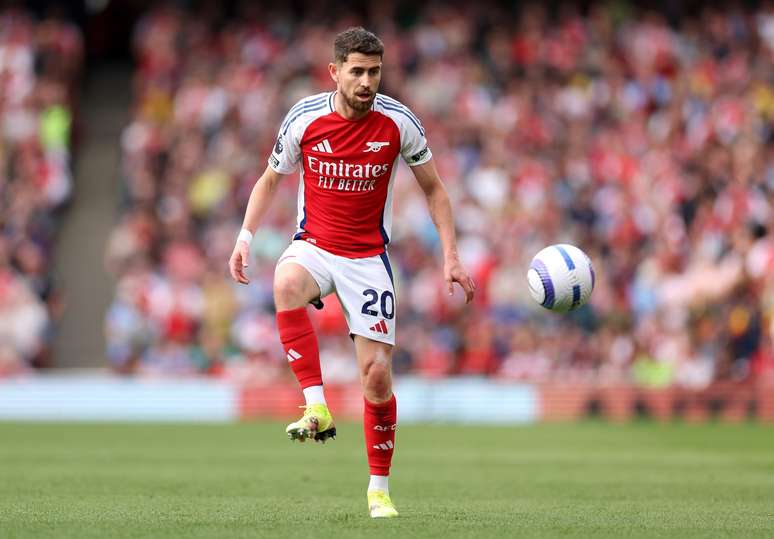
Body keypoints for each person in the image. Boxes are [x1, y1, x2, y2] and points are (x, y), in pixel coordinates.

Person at [228, 27, 475, 519]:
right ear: (335, 72)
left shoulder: (399, 122)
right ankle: (315, 404)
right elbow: (271, 178)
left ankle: (378, 490)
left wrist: (451, 255)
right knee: (285, 283)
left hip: (368, 260)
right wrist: (244, 237)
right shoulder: (304, 118)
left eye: (374, 72)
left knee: (377, 378)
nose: (366, 82)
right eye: (357, 71)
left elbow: (435, 191)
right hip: (315, 246)